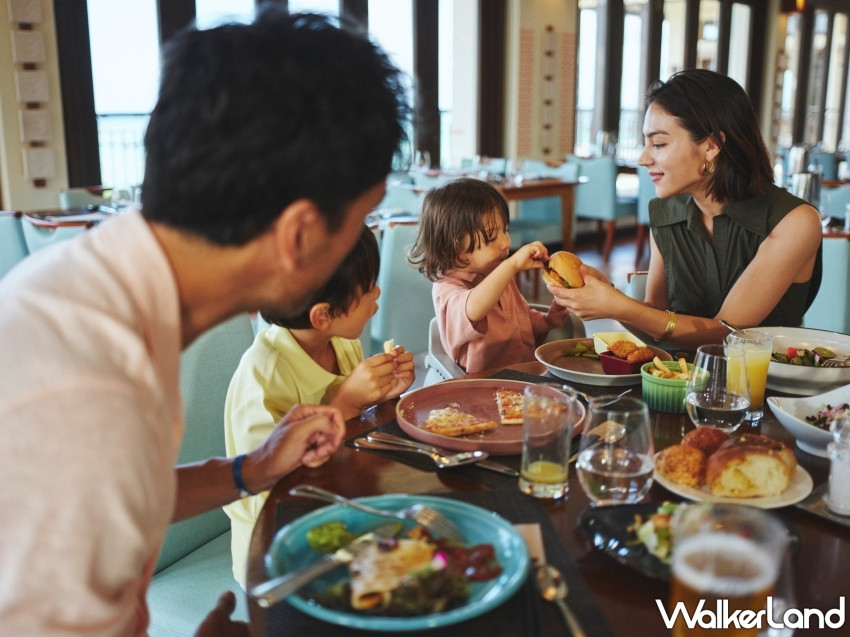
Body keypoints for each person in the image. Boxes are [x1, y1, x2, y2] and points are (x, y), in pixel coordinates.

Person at [0, 8, 408, 637]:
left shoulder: (110, 287)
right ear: (299, 233)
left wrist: (251, 469)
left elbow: (127, 493)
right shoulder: (87, 382)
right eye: (364, 218)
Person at [549, 69, 822, 348]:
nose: (643, 158)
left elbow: (729, 333)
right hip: (681, 384)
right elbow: (655, 324)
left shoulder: (793, 222)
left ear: (712, 145)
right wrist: (609, 295)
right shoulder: (666, 213)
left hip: (768, 388)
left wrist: (618, 306)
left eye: (658, 143)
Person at [223, 226, 415, 585]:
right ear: (323, 315)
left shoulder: (342, 343)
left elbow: (354, 432)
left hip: (337, 507)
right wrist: (345, 403)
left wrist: (381, 396)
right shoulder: (264, 377)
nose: (378, 292)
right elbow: (266, 485)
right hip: (275, 548)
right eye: (368, 287)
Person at [408, 178, 572, 373]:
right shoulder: (447, 287)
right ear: (451, 249)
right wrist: (510, 266)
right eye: (492, 237)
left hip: (522, 375)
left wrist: (547, 321)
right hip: (479, 387)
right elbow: (473, 309)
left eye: (506, 230)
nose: (505, 243)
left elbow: (521, 319)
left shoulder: (496, 272)